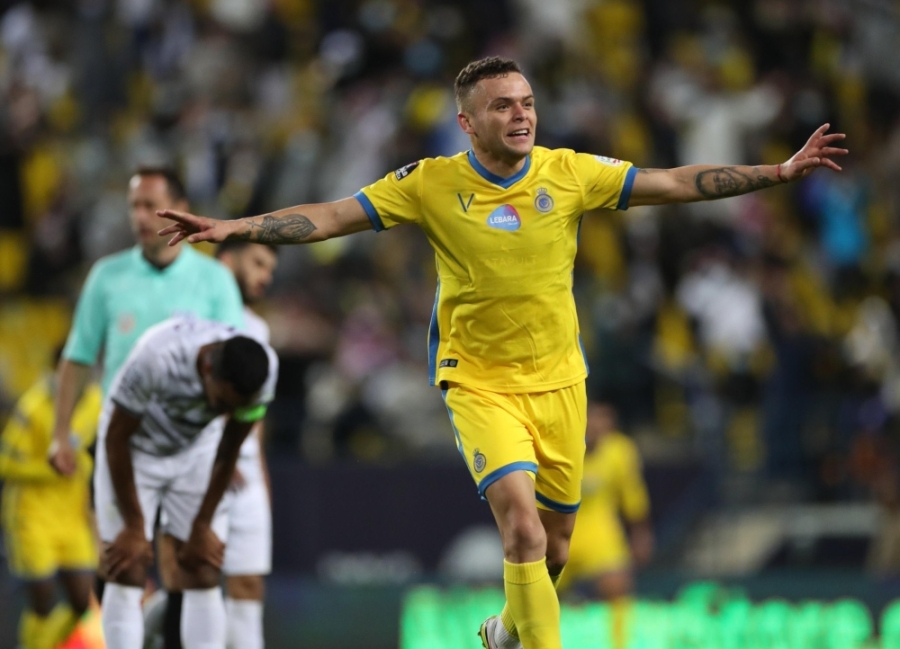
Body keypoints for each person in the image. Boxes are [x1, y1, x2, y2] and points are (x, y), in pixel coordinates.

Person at [158, 56, 848, 649]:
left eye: (527, 103)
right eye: (502, 106)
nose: (521, 115)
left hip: (561, 381)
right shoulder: (429, 182)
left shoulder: (569, 172)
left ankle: (508, 629)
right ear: (467, 122)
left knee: (555, 549)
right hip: (478, 382)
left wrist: (776, 171)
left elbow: (673, 181)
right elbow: (333, 216)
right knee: (522, 527)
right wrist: (232, 227)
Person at [94, 316, 278, 649]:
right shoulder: (156, 357)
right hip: (135, 448)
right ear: (207, 369)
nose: (226, 412)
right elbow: (116, 439)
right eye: (222, 404)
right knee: (127, 565)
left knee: (203, 567)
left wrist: (202, 525)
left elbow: (229, 449)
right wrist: (134, 525)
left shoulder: (263, 375)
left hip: (195, 450)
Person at [49, 166, 244, 477]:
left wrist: (231, 447)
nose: (140, 217)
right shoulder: (106, 276)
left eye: (150, 206)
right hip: (121, 441)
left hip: (192, 446)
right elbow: (78, 358)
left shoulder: (215, 279)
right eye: (134, 206)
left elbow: (234, 368)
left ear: (180, 209)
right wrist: (60, 435)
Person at [155, 241, 279, 649]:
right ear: (227, 260)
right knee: (192, 575)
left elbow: (256, 417)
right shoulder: (188, 321)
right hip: (196, 463)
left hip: (245, 471)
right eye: (258, 263)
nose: (265, 276)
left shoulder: (258, 329)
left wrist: (261, 475)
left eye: (270, 269)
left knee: (248, 584)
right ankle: (153, 626)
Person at [0, 350, 102, 649]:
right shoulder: (34, 406)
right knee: (43, 600)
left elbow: (90, 452)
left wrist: (84, 466)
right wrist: (50, 470)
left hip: (71, 518)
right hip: (31, 517)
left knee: (83, 602)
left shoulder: (95, 403)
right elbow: (5, 463)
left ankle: (41, 645)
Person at [555, 403, 653, 649]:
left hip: (600, 531)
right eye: (591, 421)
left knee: (617, 587)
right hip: (559, 530)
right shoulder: (558, 448)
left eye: (603, 422)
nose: (596, 428)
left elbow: (632, 496)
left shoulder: (620, 451)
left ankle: (619, 644)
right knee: (540, 596)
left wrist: (641, 534)